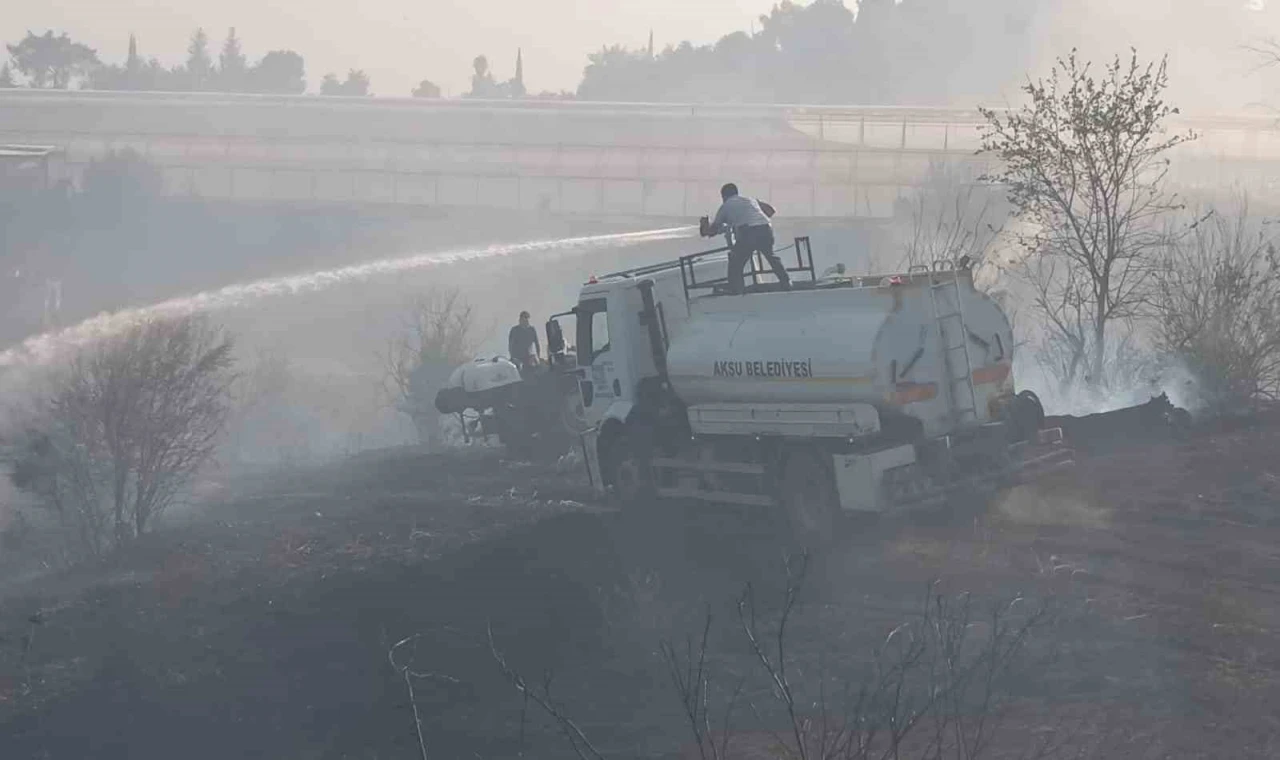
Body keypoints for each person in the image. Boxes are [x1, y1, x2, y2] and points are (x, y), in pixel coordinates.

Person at [700, 183, 791, 294]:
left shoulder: (726, 206)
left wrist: (704, 225)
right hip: (766, 229)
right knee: (771, 257)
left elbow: (713, 229)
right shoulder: (750, 200)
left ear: (724, 196)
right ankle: (786, 281)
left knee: (736, 260)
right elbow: (771, 211)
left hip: (749, 233)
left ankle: (734, 288)